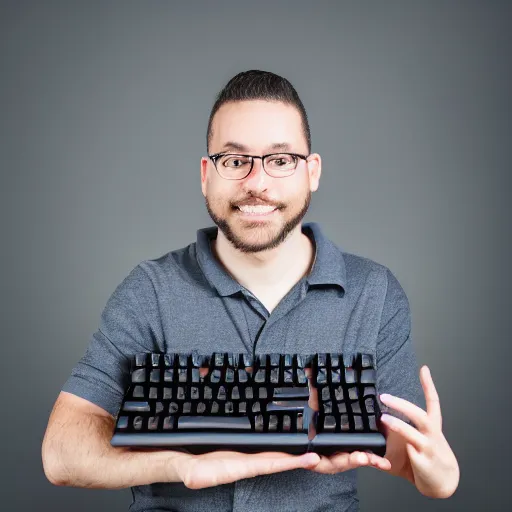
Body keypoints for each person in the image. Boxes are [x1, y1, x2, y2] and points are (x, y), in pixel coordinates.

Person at [42, 70, 459, 511]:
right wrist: (178, 465)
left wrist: (437, 471)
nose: (257, 183)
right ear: (207, 174)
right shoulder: (149, 291)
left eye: (280, 160)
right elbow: (61, 454)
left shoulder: (374, 292)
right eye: (235, 160)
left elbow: (406, 454)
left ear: (312, 172)